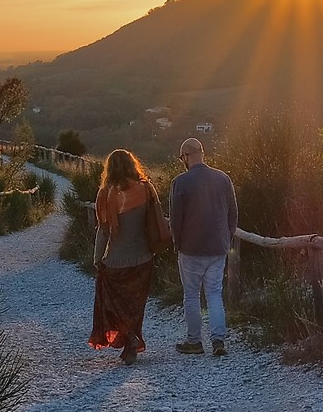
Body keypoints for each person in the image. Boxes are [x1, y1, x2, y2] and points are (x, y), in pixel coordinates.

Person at [89, 149, 168, 364]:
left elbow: (104, 230)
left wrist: (97, 259)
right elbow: (154, 219)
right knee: (135, 304)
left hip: (116, 261)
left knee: (112, 303)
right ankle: (132, 337)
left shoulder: (105, 194)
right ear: (133, 165)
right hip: (144, 259)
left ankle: (129, 338)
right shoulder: (147, 188)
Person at [166, 136, 237, 356]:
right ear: (202, 153)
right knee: (215, 293)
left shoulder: (180, 182)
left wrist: (176, 243)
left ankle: (194, 341)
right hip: (218, 247)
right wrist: (227, 238)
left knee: (191, 295)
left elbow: (176, 219)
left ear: (186, 156)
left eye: (182, 158)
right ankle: (218, 341)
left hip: (191, 248)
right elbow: (233, 214)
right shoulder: (223, 179)